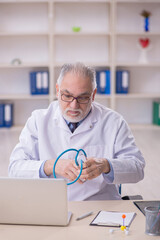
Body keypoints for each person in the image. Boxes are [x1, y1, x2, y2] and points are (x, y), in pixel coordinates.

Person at [9, 62, 145, 201]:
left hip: (100, 205)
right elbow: (15, 168)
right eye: (67, 96)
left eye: (82, 98)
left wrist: (106, 165)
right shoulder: (38, 120)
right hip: (50, 204)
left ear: (93, 95)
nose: (74, 105)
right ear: (57, 90)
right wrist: (51, 166)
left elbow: (138, 168)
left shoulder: (113, 121)